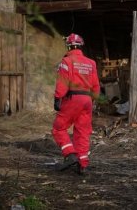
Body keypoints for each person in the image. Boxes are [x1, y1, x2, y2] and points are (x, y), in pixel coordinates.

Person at [52, 33, 100, 174]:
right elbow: (96, 86)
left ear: (68, 46)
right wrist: (92, 100)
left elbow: (63, 82)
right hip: (87, 100)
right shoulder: (91, 63)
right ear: (81, 46)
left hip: (73, 98)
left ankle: (70, 154)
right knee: (83, 132)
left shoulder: (66, 61)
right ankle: (82, 164)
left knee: (58, 128)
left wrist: (57, 98)